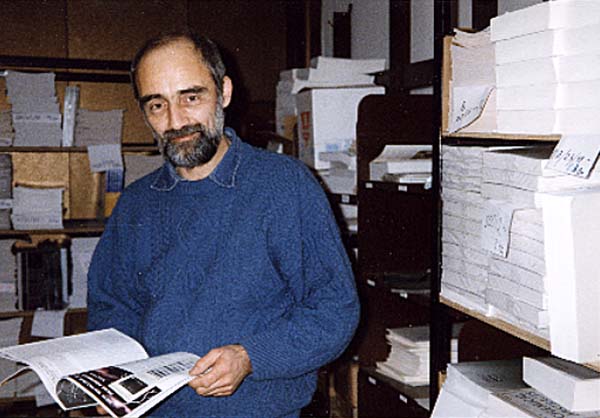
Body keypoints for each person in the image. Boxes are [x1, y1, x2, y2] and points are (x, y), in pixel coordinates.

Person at [87, 31, 360, 418]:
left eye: (191, 98)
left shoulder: (284, 186)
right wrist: (111, 375)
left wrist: (250, 357)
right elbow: (112, 309)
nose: (176, 121)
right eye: (157, 105)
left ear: (224, 92)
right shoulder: (136, 204)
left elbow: (335, 310)